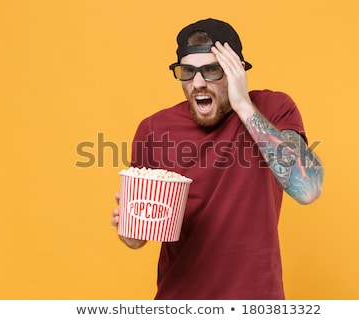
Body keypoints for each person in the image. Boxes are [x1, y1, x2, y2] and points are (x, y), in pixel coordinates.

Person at [111, 18, 324, 299]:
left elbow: (308, 189)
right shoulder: (155, 129)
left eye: (211, 70)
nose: (197, 83)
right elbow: (137, 236)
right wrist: (131, 231)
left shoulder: (273, 109)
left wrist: (243, 105)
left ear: (237, 70)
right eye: (187, 71)